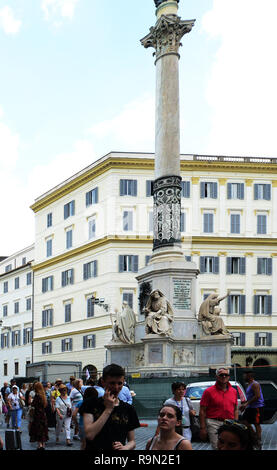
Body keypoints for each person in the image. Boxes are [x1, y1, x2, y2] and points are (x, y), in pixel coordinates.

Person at [80, 363, 140, 451]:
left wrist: (125, 447)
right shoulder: (90, 404)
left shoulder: (128, 409)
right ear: (103, 382)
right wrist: (108, 409)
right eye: (112, 383)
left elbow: (132, 441)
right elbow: (90, 435)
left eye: (120, 383)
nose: (116, 387)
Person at [199, 367, 238, 449]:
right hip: (214, 423)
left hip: (230, 423)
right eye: (221, 375)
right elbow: (202, 410)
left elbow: (235, 409)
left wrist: (236, 423)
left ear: (229, 377)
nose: (224, 376)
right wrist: (203, 428)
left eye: (226, 375)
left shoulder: (233, 391)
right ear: (217, 376)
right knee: (217, 447)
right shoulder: (208, 392)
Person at [239, 372, 265, 450]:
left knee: (256, 423)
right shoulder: (249, 384)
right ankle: (253, 436)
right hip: (250, 407)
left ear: (249, 376)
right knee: (244, 421)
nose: (243, 376)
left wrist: (246, 404)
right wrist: (245, 405)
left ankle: (258, 440)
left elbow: (257, 396)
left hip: (257, 407)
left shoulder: (255, 384)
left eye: (245, 375)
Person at [29, 382, 49, 450]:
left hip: (37, 414)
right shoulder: (43, 395)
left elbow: (33, 404)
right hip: (43, 414)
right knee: (43, 429)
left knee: (38, 429)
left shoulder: (37, 395)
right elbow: (45, 405)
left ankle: (40, 444)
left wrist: (32, 402)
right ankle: (43, 444)